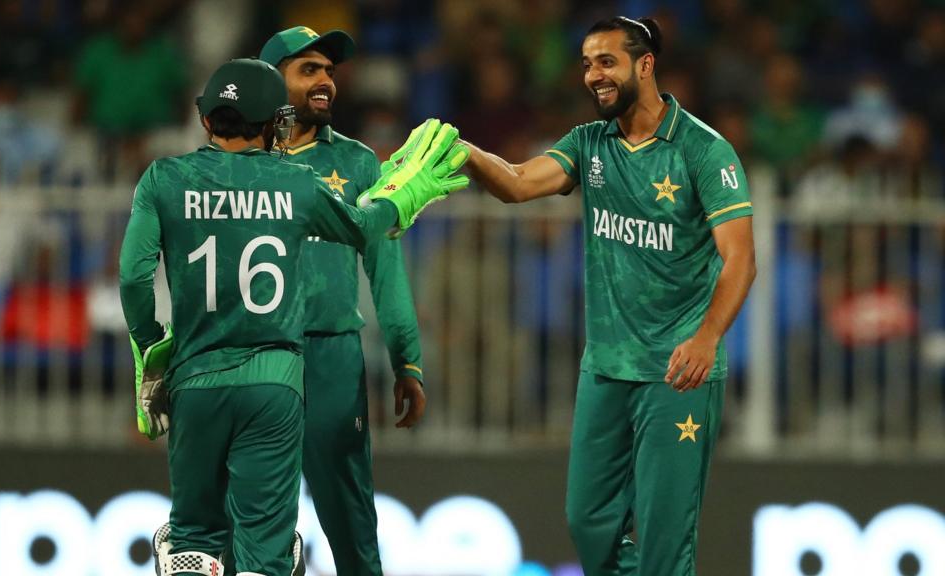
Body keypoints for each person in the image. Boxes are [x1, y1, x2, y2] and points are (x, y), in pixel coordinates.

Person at [120, 58, 467, 576]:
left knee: (193, 537)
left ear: (208, 119)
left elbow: (132, 278)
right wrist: (405, 195)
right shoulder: (296, 183)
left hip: (195, 380)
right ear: (273, 124)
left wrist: (152, 354)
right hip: (274, 384)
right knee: (267, 551)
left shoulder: (164, 179)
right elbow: (361, 225)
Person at [461, 17, 756, 575]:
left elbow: (741, 258)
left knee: (666, 542)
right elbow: (520, 183)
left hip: (677, 373)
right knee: (588, 520)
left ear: (645, 65)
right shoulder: (589, 142)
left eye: (606, 62)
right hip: (606, 366)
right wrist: (463, 150)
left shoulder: (703, 150)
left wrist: (707, 338)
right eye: (587, 64)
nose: (593, 75)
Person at [259, 26, 426, 576]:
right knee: (257, 518)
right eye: (309, 70)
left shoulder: (357, 164)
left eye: (329, 71)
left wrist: (407, 358)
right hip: (253, 353)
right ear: (269, 81)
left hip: (331, 356)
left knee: (350, 518)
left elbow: (386, 272)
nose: (326, 81)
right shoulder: (238, 162)